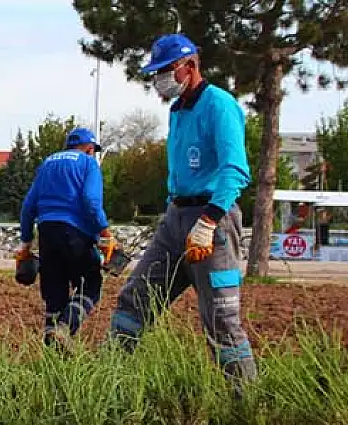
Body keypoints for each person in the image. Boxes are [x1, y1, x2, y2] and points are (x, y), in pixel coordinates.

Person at [108, 34, 256, 384]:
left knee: (221, 318)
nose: (159, 80)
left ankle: (245, 402)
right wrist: (172, 213)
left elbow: (235, 169)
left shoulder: (219, 105)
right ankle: (108, 379)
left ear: (190, 66)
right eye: (155, 73)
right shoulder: (177, 111)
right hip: (175, 219)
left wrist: (208, 221)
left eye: (165, 71)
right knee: (136, 297)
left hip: (212, 221)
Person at [18, 127, 116, 348]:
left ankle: (53, 359)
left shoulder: (47, 164)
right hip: (75, 234)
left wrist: (25, 244)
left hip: (47, 234)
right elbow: (91, 203)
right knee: (91, 284)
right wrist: (105, 234)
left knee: (54, 295)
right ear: (90, 149)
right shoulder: (88, 164)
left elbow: (27, 207)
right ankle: (65, 328)